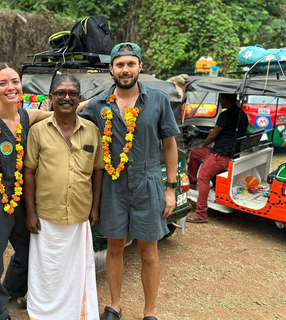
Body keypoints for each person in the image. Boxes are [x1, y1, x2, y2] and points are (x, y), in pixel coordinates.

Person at [79, 42, 180, 320]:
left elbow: (170, 146)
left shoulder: (158, 100)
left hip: (148, 182)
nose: (125, 70)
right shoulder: (98, 105)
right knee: (114, 248)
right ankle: (115, 305)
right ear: (111, 68)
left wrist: (171, 189)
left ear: (139, 67)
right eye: (120, 65)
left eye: (130, 64)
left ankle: (149, 312)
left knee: (149, 252)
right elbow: (68, 118)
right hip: (112, 184)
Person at [0, 62, 51, 320]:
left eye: (14, 81)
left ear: (21, 86)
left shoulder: (28, 116)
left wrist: (97, 100)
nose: (10, 87)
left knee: (28, 253)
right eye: (3, 83)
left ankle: (10, 291)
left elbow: (62, 112)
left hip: (22, 198)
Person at [23, 74, 103, 320]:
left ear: (79, 98)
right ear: (51, 98)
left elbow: (98, 170)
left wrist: (95, 208)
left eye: (72, 93)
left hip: (80, 216)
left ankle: (74, 312)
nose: (66, 97)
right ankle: (44, 312)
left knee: (76, 270)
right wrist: (31, 212)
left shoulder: (91, 130)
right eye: (60, 93)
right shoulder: (37, 131)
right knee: (47, 271)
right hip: (45, 216)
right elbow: (29, 171)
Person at [186, 93, 248, 223]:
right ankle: (191, 184)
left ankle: (201, 213)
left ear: (225, 99)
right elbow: (228, 131)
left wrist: (203, 144)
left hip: (221, 154)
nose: (220, 102)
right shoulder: (242, 114)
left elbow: (213, 136)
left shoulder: (225, 115)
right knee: (195, 154)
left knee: (203, 177)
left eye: (220, 99)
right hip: (230, 151)